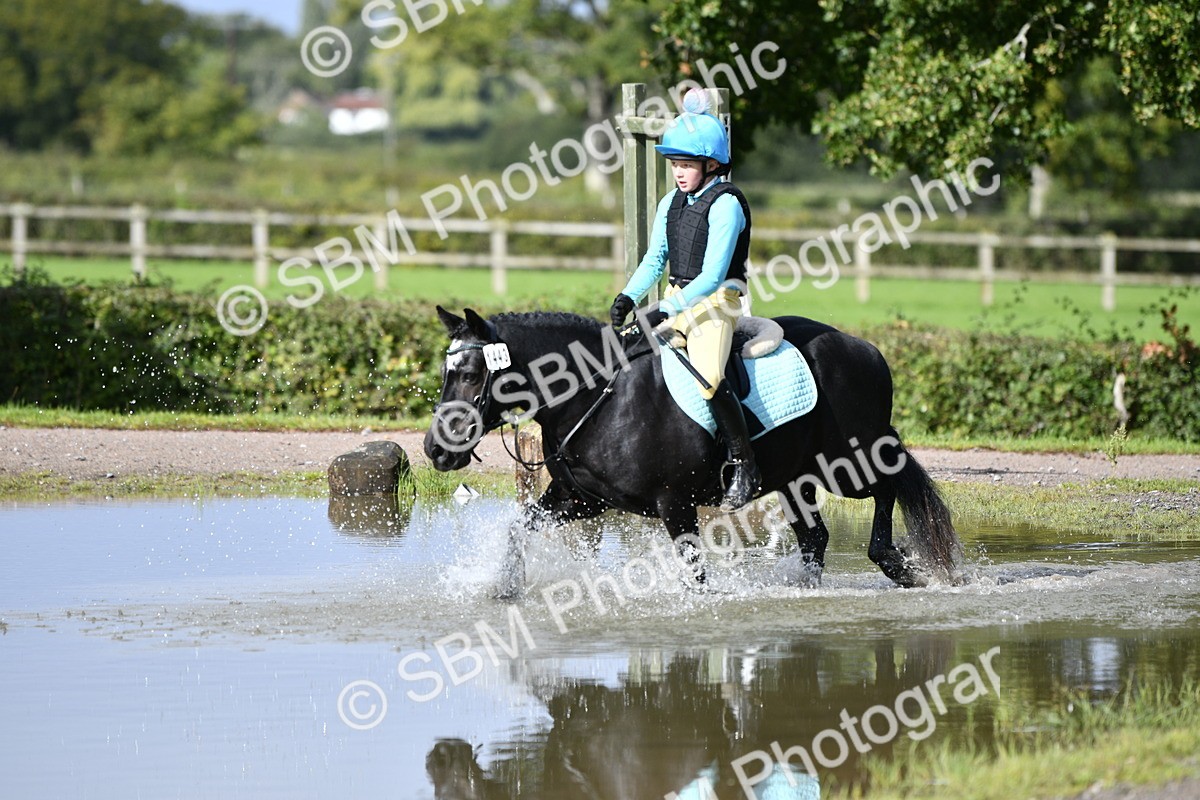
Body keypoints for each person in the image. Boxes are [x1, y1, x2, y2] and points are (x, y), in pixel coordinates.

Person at [608, 92, 760, 511]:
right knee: (631, 358)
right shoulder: (670, 202)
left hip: (719, 302)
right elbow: (655, 259)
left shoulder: (727, 205)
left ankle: (745, 464)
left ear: (712, 165)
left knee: (709, 375)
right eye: (675, 164)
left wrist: (665, 309)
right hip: (678, 297)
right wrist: (628, 296)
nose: (678, 172)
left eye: (687, 164)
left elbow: (712, 276)